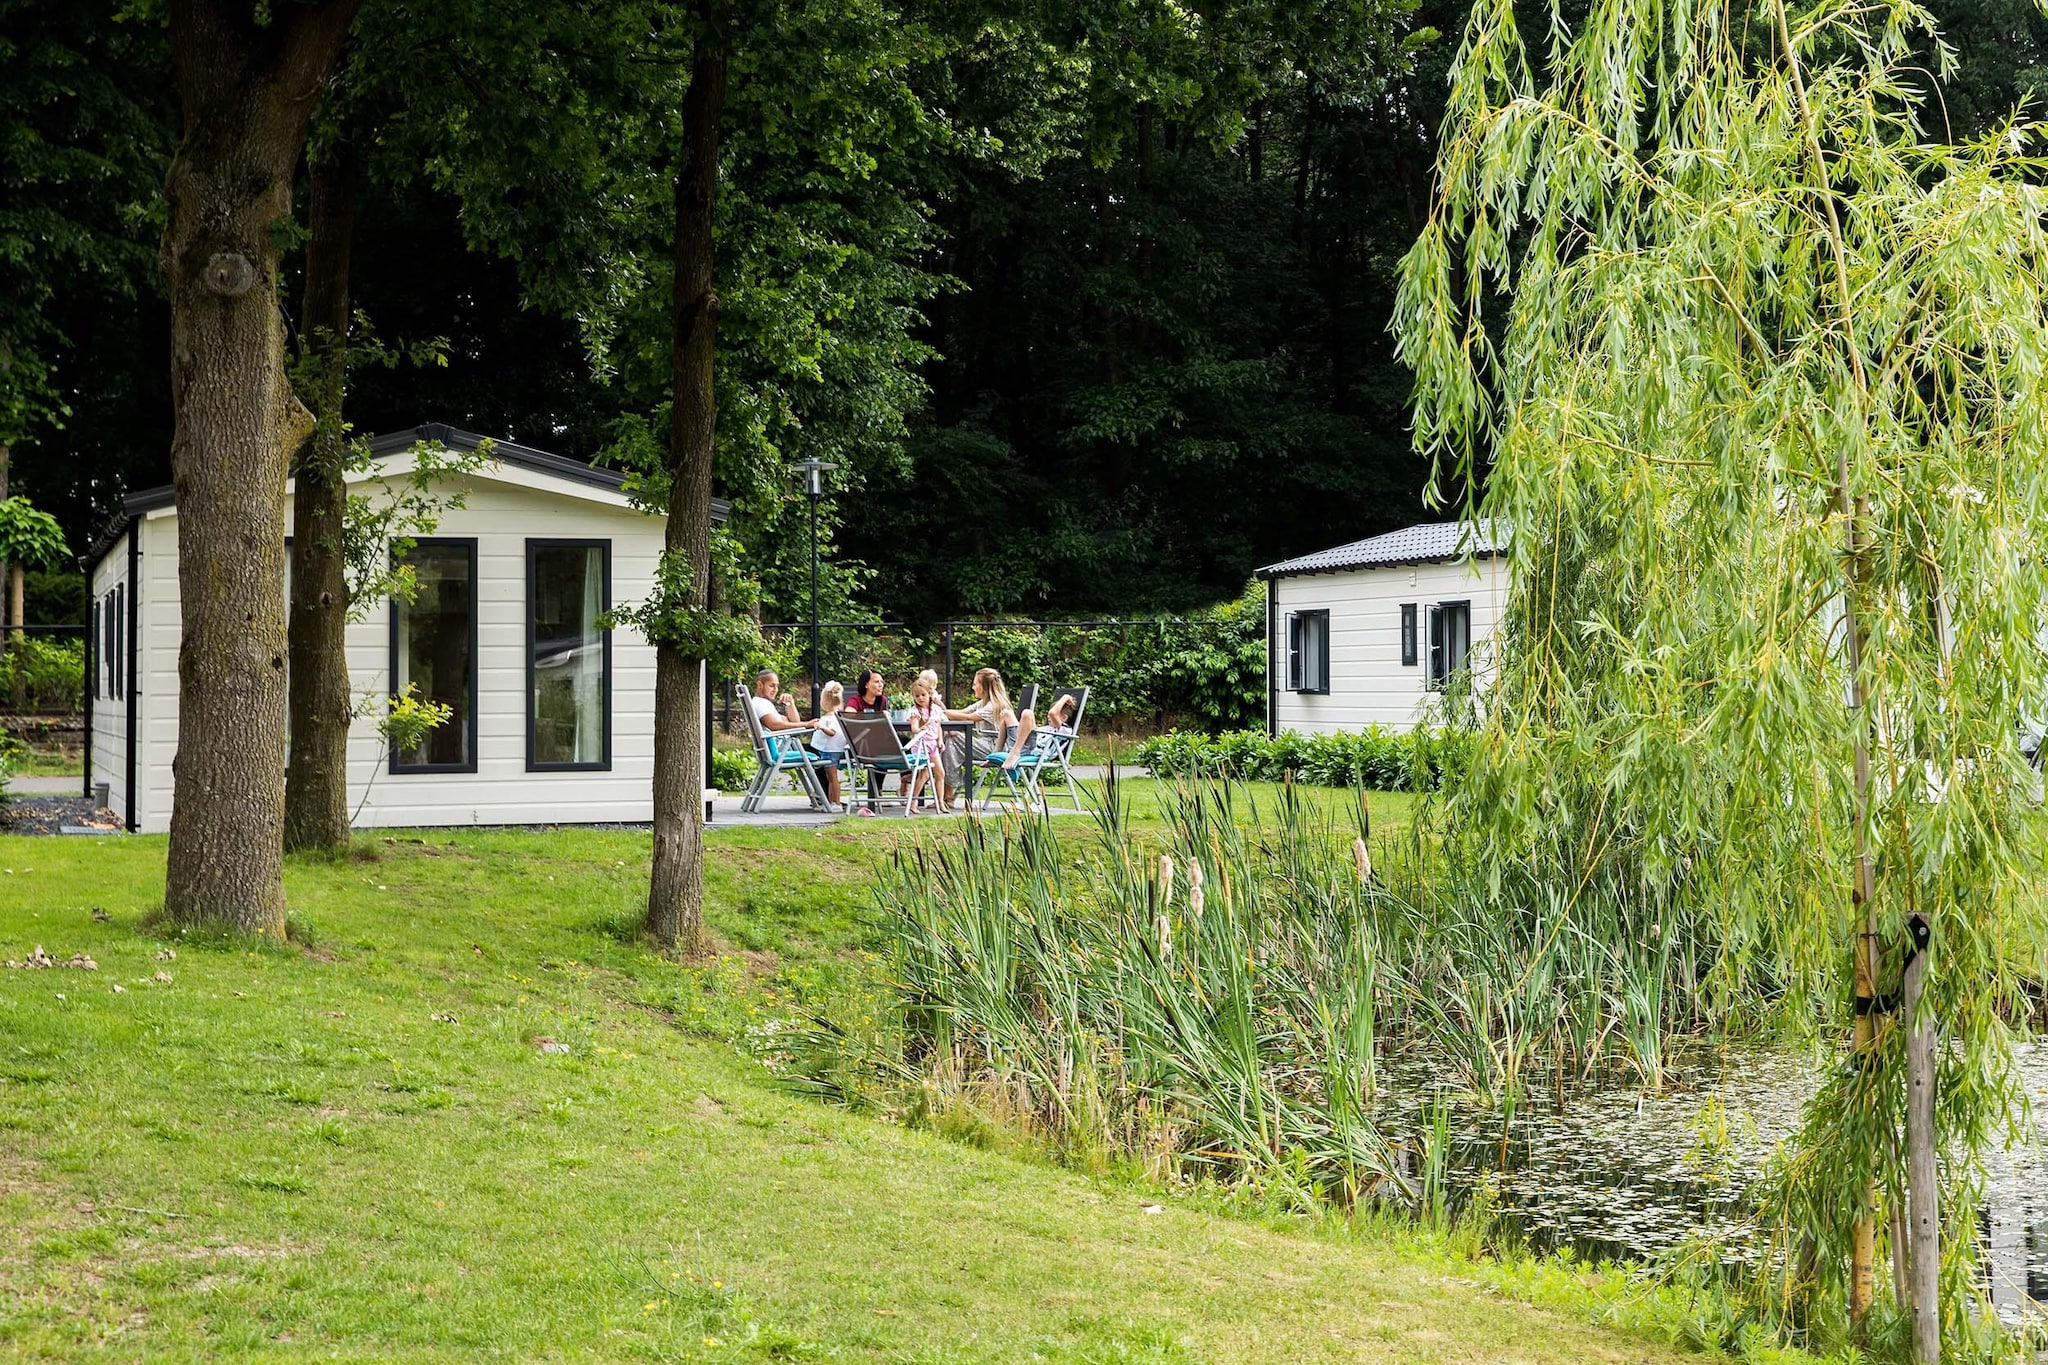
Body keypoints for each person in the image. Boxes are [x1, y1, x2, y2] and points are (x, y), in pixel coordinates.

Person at [903, 675, 951, 813]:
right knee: (924, 774)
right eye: (917, 696)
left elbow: (938, 726)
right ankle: (913, 802)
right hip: (921, 745)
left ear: (930, 694)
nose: (920, 698)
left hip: (933, 745)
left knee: (940, 773)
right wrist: (919, 729)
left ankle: (940, 802)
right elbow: (914, 729)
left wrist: (940, 740)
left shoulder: (935, 709)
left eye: (923, 695)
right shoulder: (915, 711)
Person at [998, 690, 1078, 770]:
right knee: (1006, 713)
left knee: (1027, 713)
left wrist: (1066, 697)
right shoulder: (1046, 728)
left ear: (1064, 718)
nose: (1048, 717)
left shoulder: (1065, 730)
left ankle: (1015, 753)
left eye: (1055, 715)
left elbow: (1052, 713)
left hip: (1032, 751)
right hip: (1020, 745)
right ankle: (996, 751)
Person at [808, 680, 849, 807]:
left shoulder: (831, 718)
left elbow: (832, 732)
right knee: (830, 778)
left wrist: (821, 727)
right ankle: (831, 801)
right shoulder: (834, 717)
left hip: (832, 751)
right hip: (828, 750)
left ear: (825, 701)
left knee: (832, 778)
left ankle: (836, 801)